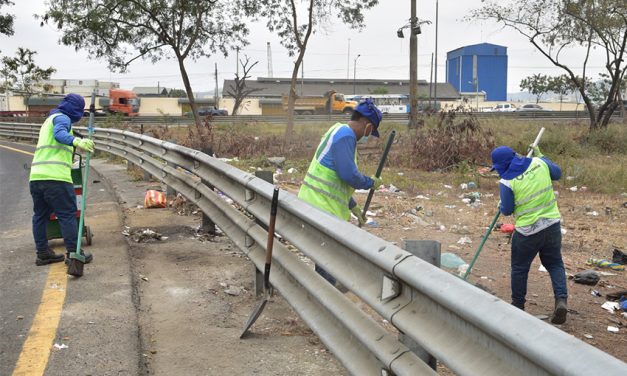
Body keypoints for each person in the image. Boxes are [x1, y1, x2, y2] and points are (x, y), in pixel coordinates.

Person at [298, 98, 383, 285]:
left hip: (315, 202)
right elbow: (348, 175)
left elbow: (333, 178)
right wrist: (370, 182)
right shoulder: (347, 136)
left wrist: (352, 206)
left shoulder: (337, 130)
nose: (369, 135)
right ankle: (327, 301)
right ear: (367, 125)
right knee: (328, 258)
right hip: (321, 207)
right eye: (371, 131)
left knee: (325, 256)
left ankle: (326, 295)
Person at [491, 144, 567, 324]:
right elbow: (557, 173)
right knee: (555, 263)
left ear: (503, 164)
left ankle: (518, 307)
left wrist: (501, 205)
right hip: (552, 225)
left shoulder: (507, 181)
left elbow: (508, 210)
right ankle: (561, 300)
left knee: (519, 268)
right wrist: (544, 156)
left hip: (528, 232)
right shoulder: (539, 162)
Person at [29, 93, 94, 266]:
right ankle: (74, 254)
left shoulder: (49, 120)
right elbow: (59, 135)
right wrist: (77, 142)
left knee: (40, 216)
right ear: (75, 109)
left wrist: (76, 138)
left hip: (36, 177)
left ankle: (43, 253)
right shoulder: (62, 119)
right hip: (56, 178)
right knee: (67, 215)